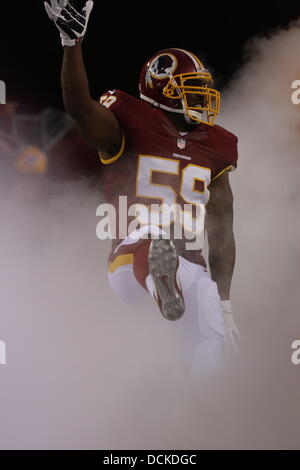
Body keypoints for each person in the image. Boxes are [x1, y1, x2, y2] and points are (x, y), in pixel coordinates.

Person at [44, 0, 240, 376]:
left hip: (189, 265)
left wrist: (226, 303)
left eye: (201, 89)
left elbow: (222, 232)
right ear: (163, 90)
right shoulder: (127, 123)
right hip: (128, 258)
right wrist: (72, 46)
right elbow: (79, 108)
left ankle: (204, 410)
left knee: (213, 344)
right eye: (191, 89)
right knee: (153, 240)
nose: (201, 98)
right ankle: (159, 281)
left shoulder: (216, 147)